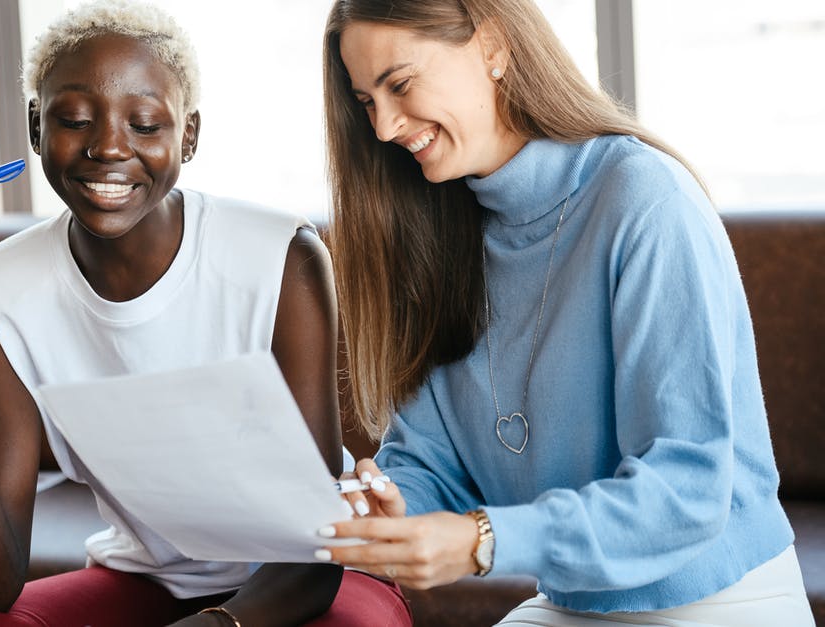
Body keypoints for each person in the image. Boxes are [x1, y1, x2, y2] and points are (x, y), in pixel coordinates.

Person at [0, 1, 411, 625]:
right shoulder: (4, 292)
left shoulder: (281, 260)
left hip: (313, 581)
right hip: (150, 583)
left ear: (190, 136)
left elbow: (314, 546)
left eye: (146, 125)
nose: (108, 147)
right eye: (74, 119)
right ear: (37, 127)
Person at [312, 0, 814, 624]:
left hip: (719, 600)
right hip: (574, 602)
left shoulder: (644, 200)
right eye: (366, 103)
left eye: (401, 84)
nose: (384, 127)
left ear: (493, 46)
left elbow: (684, 492)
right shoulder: (437, 232)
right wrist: (388, 509)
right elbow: (430, 462)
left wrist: (482, 540)